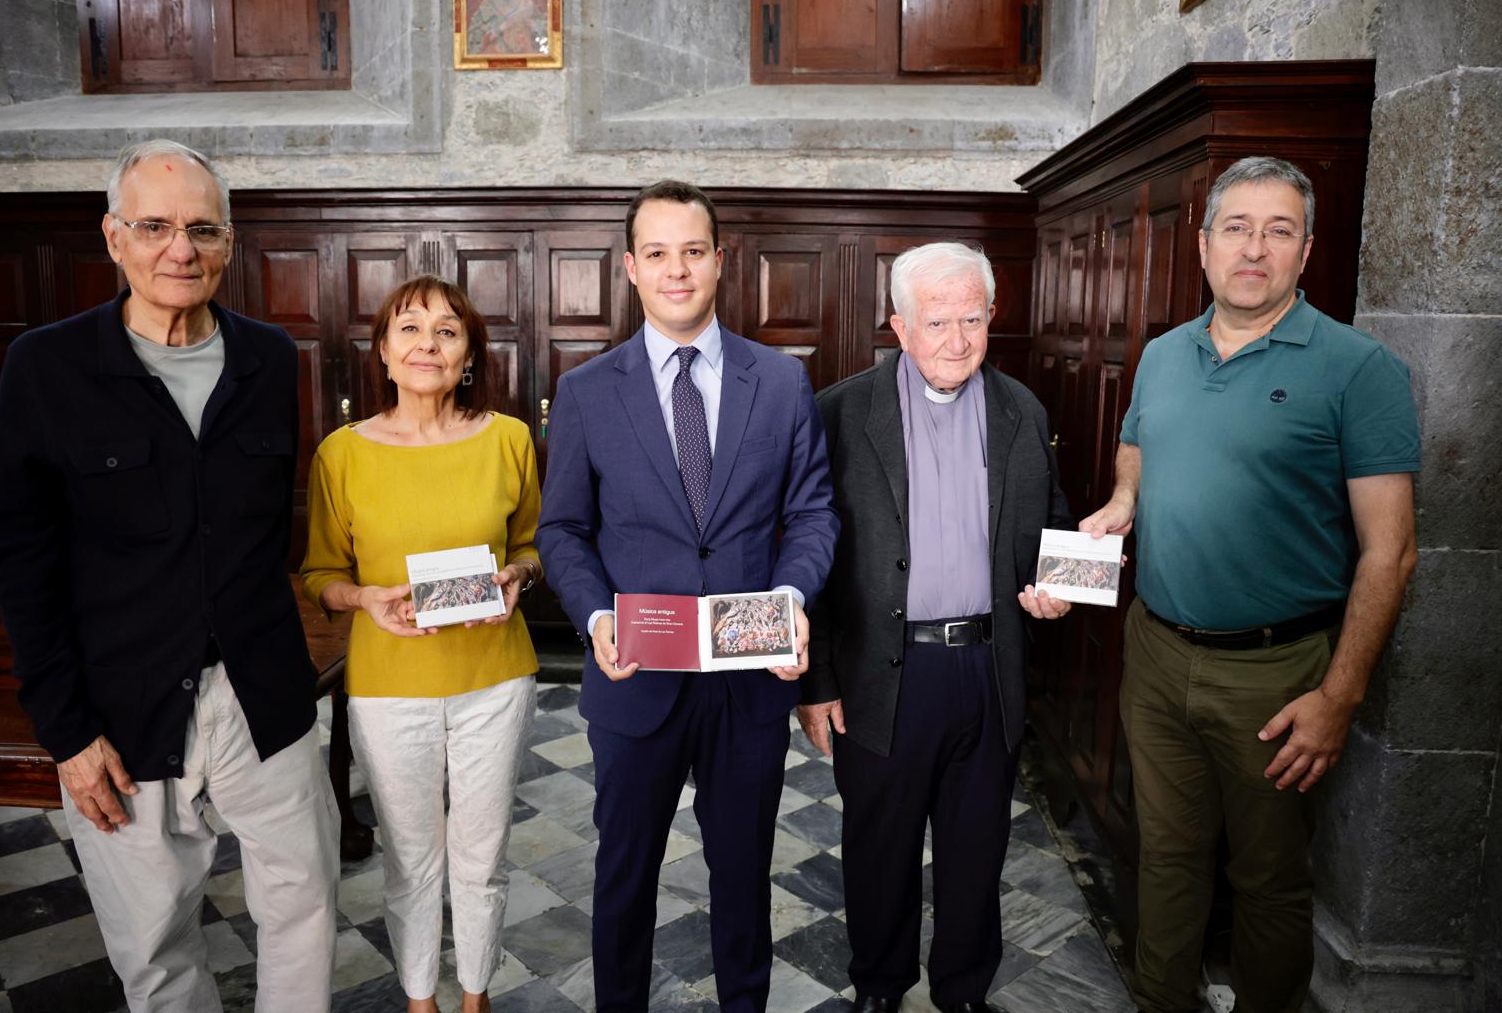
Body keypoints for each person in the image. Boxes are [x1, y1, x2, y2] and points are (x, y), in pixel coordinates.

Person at [0, 139, 338, 1012]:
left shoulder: (270, 359)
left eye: (203, 230)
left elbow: (265, 535)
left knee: (306, 909)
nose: (181, 249)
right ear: (113, 237)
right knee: (153, 944)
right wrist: (66, 731)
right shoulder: (46, 365)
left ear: (230, 243)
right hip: (121, 708)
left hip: (264, 698)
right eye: (156, 227)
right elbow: (19, 559)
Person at [1080, 156, 1420, 1013]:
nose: (1254, 250)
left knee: (1267, 879)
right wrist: (1126, 498)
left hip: (1277, 673)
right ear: (1203, 246)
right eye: (1237, 228)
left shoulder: (1356, 369)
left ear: (1307, 251)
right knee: (1166, 856)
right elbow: (1141, 442)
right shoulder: (1162, 354)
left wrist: (1339, 696)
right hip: (1156, 653)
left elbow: (1393, 553)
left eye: (1278, 231)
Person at [537, 180, 838, 1012]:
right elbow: (560, 530)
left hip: (746, 685)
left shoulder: (778, 382)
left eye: (694, 252)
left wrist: (791, 601)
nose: (678, 271)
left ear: (720, 260)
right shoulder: (590, 390)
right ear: (631, 267)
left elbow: (811, 512)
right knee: (623, 876)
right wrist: (597, 617)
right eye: (659, 254)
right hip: (634, 680)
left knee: (742, 878)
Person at [798, 242, 1074, 1013]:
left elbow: (1051, 528)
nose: (958, 340)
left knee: (975, 851)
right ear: (899, 325)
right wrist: (815, 683)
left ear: (993, 318)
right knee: (879, 851)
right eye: (938, 321)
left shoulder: (1023, 410)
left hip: (988, 669)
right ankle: (880, 991)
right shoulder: (839, 412)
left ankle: (963, 994)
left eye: (973, 320)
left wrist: (1055, 586)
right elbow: (808, 555)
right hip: (884, 674)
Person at [301, 275, 542, 1013]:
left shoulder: (510, 439)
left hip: (494, 676)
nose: (427, 344)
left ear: (469, 355)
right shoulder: (341, 454)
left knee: (482, 853)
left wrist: (518, 578)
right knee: (411, 856)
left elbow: (534, 545)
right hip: (386, 682)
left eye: (447, 330)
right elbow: (320, 574)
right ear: (382, 351)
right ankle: (418, 998)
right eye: (409, 328)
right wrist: (364, 598)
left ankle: (474, 994)